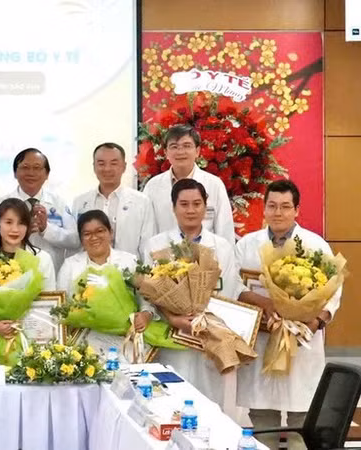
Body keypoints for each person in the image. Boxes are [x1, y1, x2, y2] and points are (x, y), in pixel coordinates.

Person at [235, 180, 341, 450]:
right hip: (262, 339)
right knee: (262, 420)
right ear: (264, 209)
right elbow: (234, 285)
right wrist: (261, 302)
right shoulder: (247, 245)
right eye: (272, 206)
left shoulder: (315, 244)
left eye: (285, 207)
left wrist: (316, 320)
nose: (278, 213)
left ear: (296, 210)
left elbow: (333, 291)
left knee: (300, 421)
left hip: (301, 343)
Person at [142, 179, 243, 405]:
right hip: (171, 338)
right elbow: (147, 293)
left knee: (210, 406)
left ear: (205, 207)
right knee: (170, 404)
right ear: (173, 207)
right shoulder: (155, 246)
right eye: (184, 204)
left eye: (196, 204)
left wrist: (201, 320)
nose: (190, 210)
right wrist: (174, 318)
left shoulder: (221, 247)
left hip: (210, 337)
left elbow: (229, 292)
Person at [58, 210, 155, 360]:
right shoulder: (70, 266)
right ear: (81, 239)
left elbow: (146, 297)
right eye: (87, 234)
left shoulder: (129, 261)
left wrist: (146, 314)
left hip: (125, 342)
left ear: (110, 232)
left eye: (100, 231)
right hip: (84, 343)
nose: (94, 237)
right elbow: (61, 307)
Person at [0, 198, 56, 366]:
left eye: (21, 223)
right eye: (8, 222)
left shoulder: (42, 259)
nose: (15, 229)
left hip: (30, 338)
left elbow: (49, 303)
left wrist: (22, 322)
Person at [0, 148, 78, 271]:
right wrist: (20, 231)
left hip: (51, 274)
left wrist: (46, 229)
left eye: (37, 168)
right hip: (10, 276)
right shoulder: (1, 203)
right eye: (25, 167)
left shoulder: (58, 203)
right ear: (15, 173)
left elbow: (74, 240)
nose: (31, 173)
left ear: (47, 174)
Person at [142, 124, 235, 243]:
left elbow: (225, 231)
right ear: (166, 152)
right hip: (164, 256)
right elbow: (147, 231)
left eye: (187, 146)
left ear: (197, 151)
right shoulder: (153, 186)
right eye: (174, 146)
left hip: (205, 257)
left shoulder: (214, 184)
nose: (180, 152)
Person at [73, 142, 155, 257]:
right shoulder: (80, 202)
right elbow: (76, 244)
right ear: (94, 166)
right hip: (89, 272)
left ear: (124, 167)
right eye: (101, 164)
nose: (107, 169)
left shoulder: (141, 202)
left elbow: (147, 245)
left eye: (114, 163)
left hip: (129, 270)